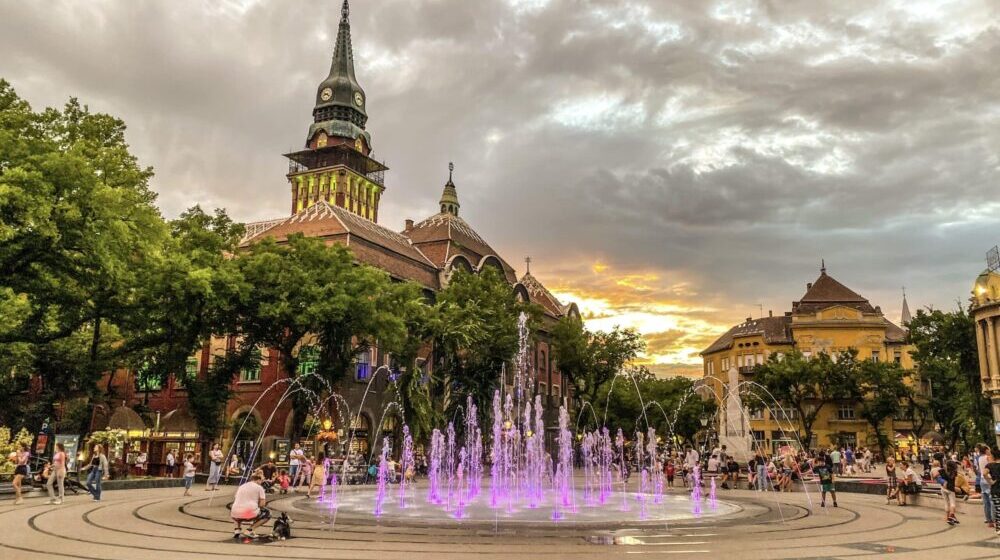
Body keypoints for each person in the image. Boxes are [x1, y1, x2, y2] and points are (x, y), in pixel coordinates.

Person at [231, 472, 270, 538]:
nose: (262, 482)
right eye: (262, 481)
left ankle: (237, 530)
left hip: (234, 514)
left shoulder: (242, 486)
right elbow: (262, 505)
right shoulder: (259, 488)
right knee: (267, 513)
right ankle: (250, 530)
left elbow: (236, 498)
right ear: (258, 480)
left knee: (236, 508)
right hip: (248, 514)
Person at [983, 450, 1000, 536]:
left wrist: (990, 481)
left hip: (995, 489)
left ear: (993, 456)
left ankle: (998, 528)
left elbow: (984, 474)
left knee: (998, 509)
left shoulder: (989, 465)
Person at [976, 445, 993, 528]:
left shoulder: (979, 458)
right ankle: (994, 520)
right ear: (986, 450)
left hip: (982, 479)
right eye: (989, 449)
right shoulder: (988, 457)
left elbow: (979, 470)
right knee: (991, 500)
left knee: (986, 502)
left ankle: (989, 520)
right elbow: (992, 467)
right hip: (989, 479)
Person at [940, 461, 959, 525]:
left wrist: (943, 481)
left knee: (946, 502)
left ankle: (948, 517)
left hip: (943, 488)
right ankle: (951, 516)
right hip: (950, 488)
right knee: (952, 503)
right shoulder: (954, 472)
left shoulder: (942, 470)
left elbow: (936, 476)